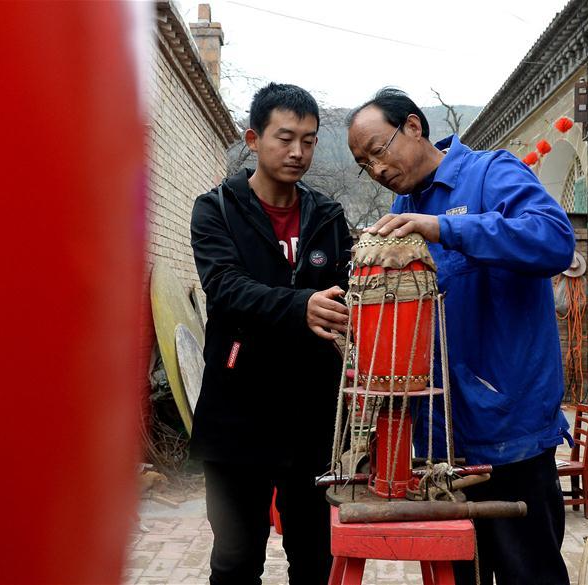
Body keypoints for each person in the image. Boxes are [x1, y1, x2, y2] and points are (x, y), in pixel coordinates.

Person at [346, 88, 576, 585]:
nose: (376, 169)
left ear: (412, 126)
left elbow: (554, 239)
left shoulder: (493, 172)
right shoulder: (403, 209)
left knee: (527, 572)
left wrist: (448, 229)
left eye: (378, 150)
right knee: (458, 575)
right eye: (364, 163)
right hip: (439, 445)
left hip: (508, 434)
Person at [190, 83, 352, 585]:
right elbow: (225, 287)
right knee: (236, 561)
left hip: (313, 417)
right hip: (238, 414)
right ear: (253, 139)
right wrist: (301, 304)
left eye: (308, 139)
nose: (298, 151)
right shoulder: (215, 208)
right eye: (285, 138)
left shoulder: (327, 216)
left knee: (316, 558)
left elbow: (348, 291)